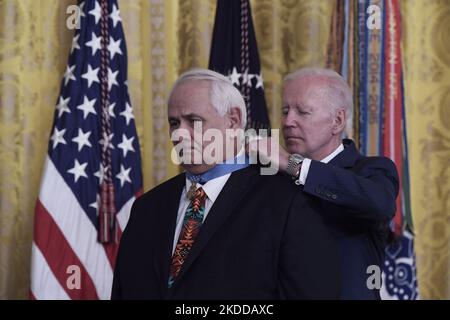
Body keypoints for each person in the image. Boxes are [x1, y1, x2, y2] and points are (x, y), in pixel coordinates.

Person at [111, 68, 340, 299]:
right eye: (174, 122)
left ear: (233, 121)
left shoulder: (287, 202)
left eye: (193, 121)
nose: (179, 134)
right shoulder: (146, 207)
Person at [247, 68, 399, 299]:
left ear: (337, 121)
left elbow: (380, 204)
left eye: (302, 112)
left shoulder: (372, 170)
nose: (288, 122)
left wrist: (292, 164)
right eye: (285, 111)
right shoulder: (267, 178)